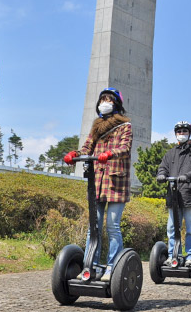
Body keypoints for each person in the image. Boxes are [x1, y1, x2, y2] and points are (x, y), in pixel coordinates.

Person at [64, 88, 132, 282]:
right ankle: (90, 266)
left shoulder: (125, 126)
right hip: (98, 182)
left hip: (116, 181)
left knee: (112, 226)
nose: (105, 102)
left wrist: (110, 154)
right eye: (102, 99)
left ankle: (112, 267)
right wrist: (74, 155)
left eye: (109, 100)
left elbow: (125, 147)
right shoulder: (96, 126)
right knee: (93, 227)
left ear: (116, 104)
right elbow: (87, 147)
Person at [156, 121, 191, 265]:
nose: (181, 134)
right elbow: (163, 167)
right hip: (174, 196)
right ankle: (174, 255)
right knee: (172, 228)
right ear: (175, 134)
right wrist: (161, 174)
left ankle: (190, 256)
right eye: (179, 132)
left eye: (184, 131)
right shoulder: (171, 153)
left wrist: (188, 176)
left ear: (189, 133)